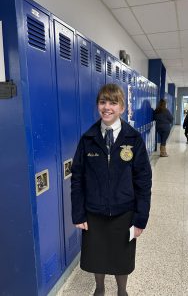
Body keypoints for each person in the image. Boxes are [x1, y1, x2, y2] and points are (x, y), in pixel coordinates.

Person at [71, 83, 152, 296]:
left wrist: (140, 219)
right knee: (97, 257)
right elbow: (77, 179)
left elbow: (143, 182)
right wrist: (78, 214)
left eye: (113, 103)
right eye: (102, 102)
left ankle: (121, 290)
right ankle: (99, 288)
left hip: (124, 212)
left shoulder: (133, 139)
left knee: (121, 258)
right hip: (94, 212)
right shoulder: (88, 139)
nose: (107, 107)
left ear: (122, 108)